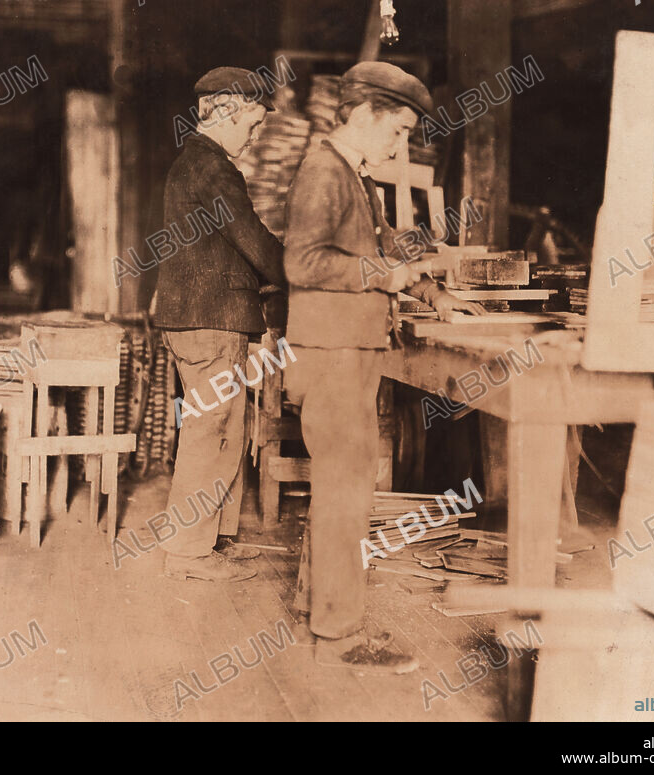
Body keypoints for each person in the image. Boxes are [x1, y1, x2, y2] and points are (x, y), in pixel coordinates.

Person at [282, 61, 485, 672]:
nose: (401, 143)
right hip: (336, 354)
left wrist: (422, 273)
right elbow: (303, 263)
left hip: (348, 350)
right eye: (397, 129)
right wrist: (386, 275)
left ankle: (312, 605)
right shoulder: (324, 170)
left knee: (338, 488)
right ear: (366, 114)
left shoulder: (351, 173)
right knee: (346, 493)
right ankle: (341, 633)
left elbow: (370, 248)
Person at [154, 67, 288, 582]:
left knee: (227, 429)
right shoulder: (213, 169)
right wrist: (301, 272)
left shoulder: (200, 164)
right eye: (253, 123)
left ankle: (213, 540)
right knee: (209, 431)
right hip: (209, 321)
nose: (255, 137)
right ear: (227, 110)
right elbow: (251, 239)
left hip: (209, 318)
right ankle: (188, 553)